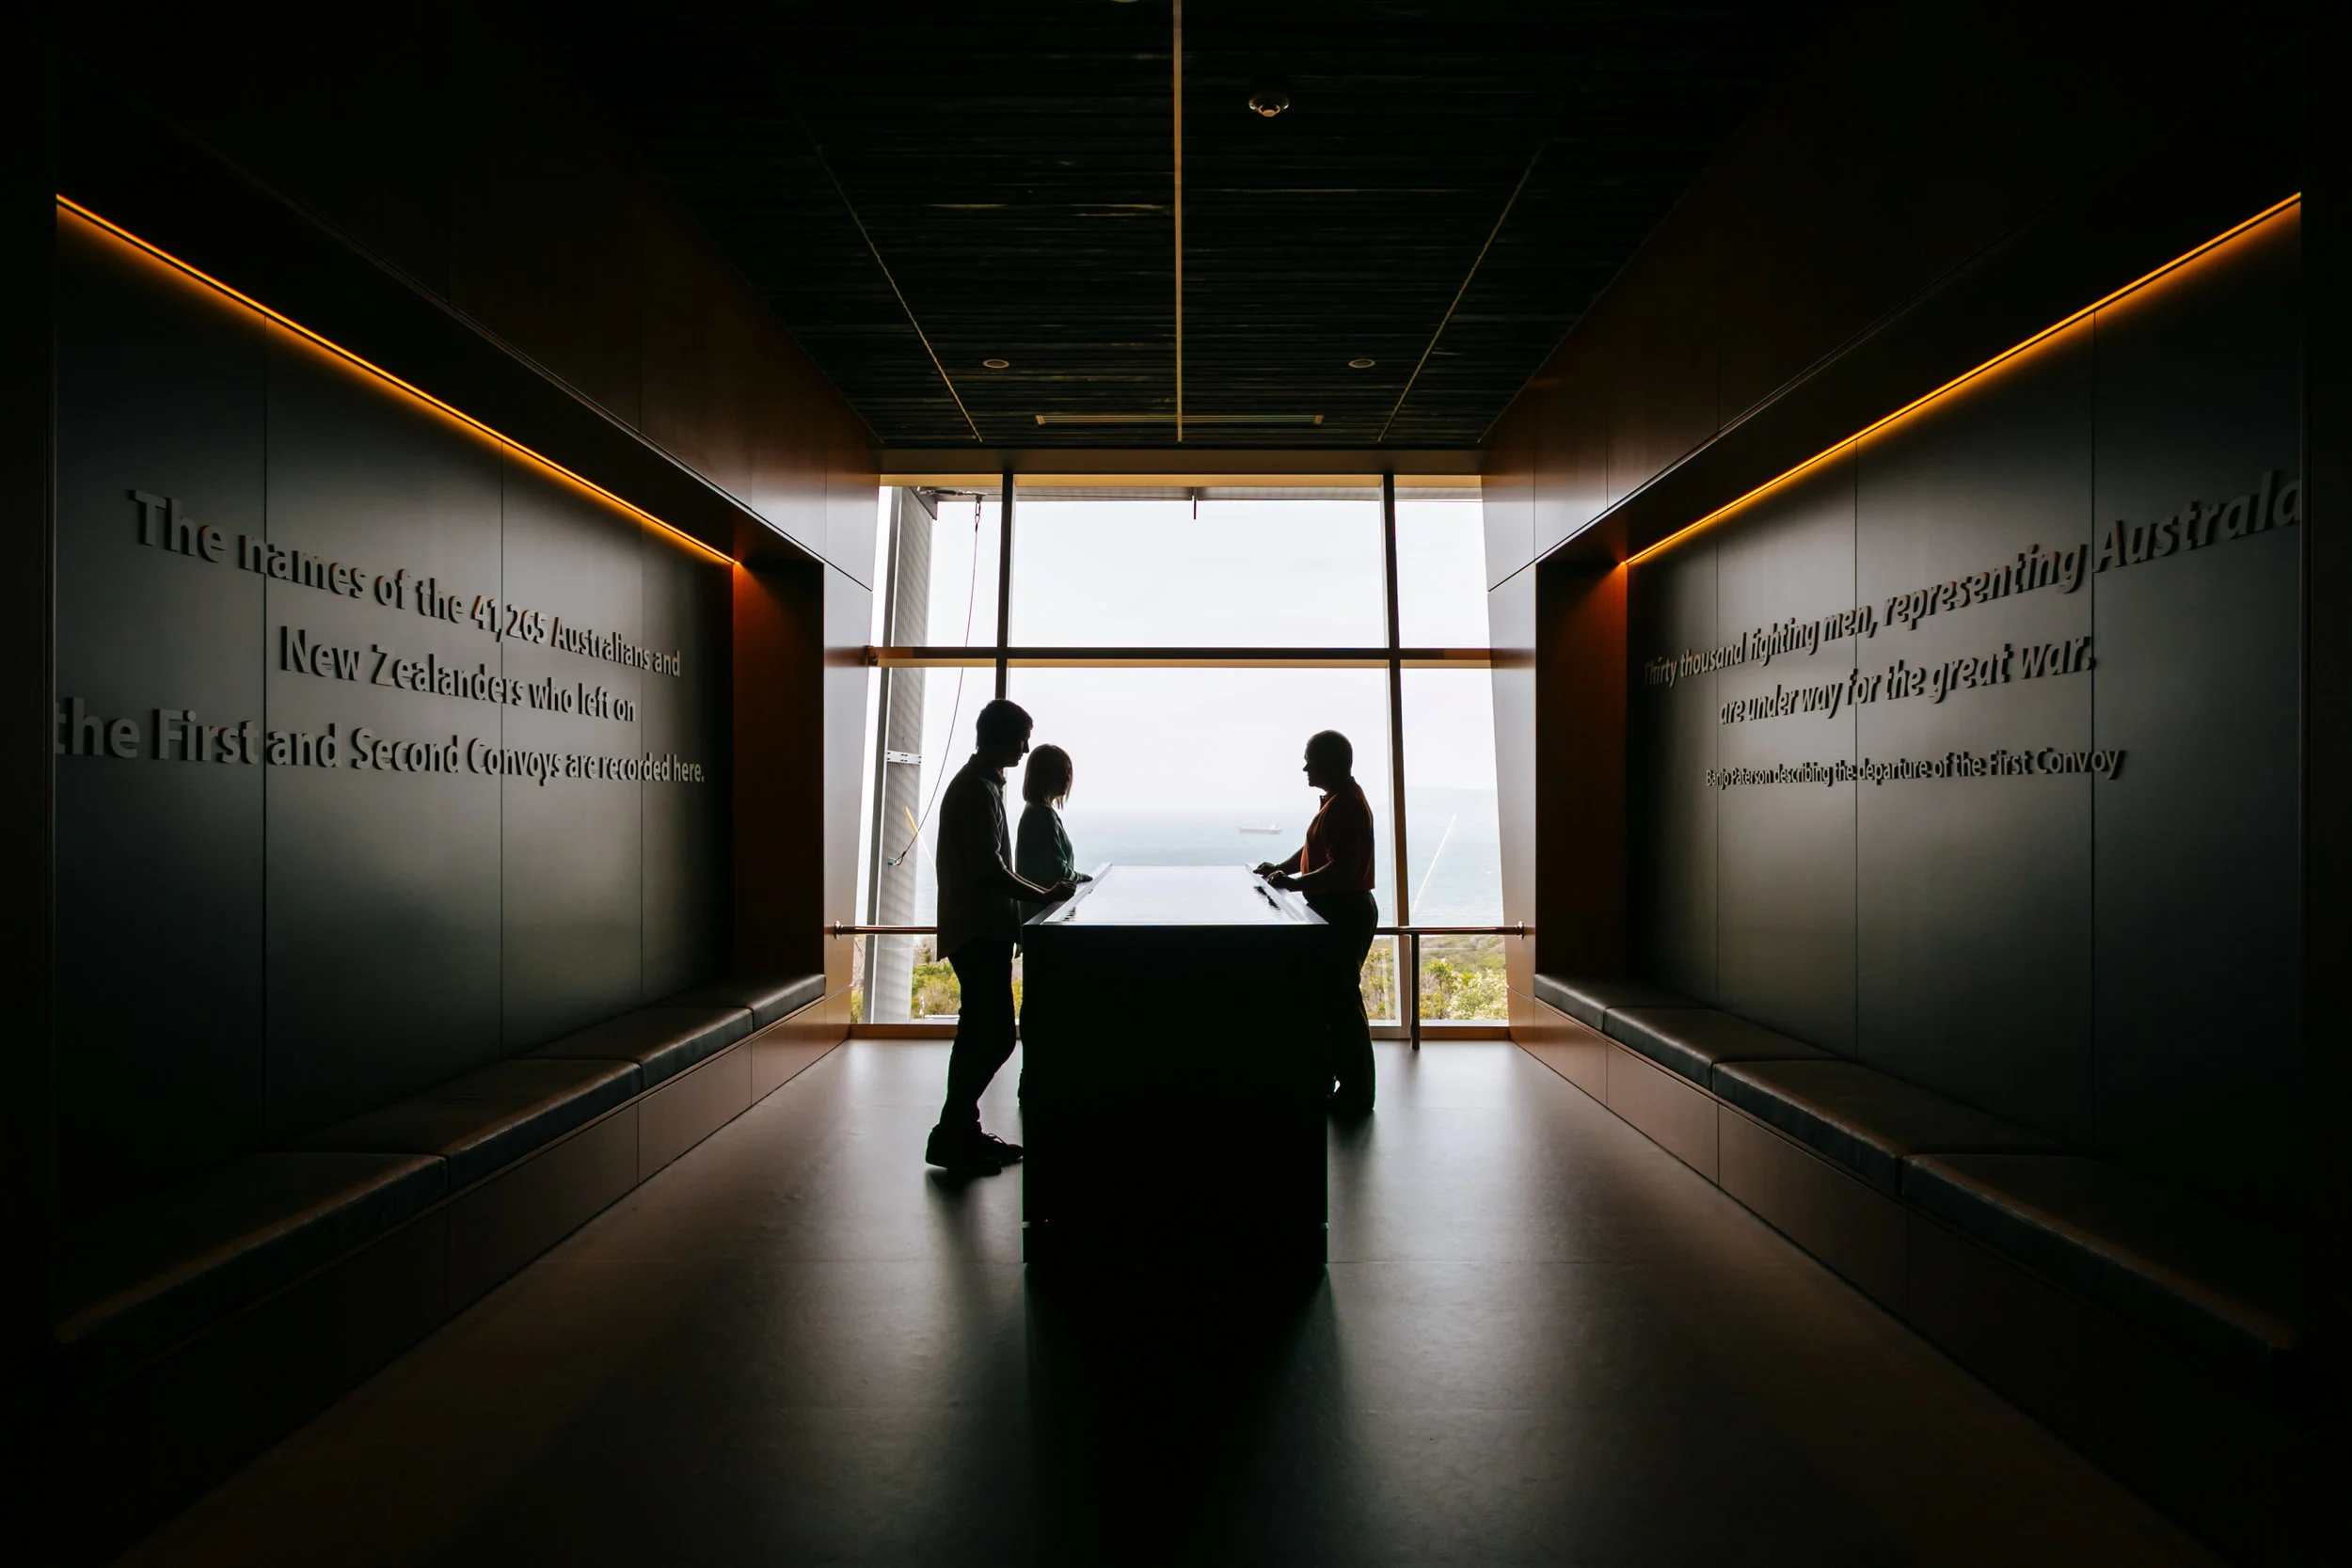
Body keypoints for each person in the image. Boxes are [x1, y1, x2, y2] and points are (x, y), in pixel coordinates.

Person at [927, 699, 1077, 1172]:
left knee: (983, 1033)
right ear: (998, 736)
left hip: (981, 929)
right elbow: (991, 871)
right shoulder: (976, 790)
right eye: (1021, 737)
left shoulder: (984, 786)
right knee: (991, 1036)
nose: (1025, 748)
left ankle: (960, 1129)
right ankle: (952, 1133)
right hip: (977, 930)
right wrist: (1046, 892)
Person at [1255, 729, 1379, 1115]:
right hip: (1340, 908)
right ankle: (1340, 1082)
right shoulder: (1336, 802)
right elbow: (1314, 851)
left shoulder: (1346, 806)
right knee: (1336, 1000)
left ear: (1330, 761)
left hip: (1344, 910)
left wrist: (1294, 883)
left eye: (1310, 758)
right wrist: (1283, 869)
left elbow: (1341, 869)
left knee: (1343, 1002)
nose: (1305, 766)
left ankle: (1358, 1092)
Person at [1015, 744, 1091, 921]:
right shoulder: (1042, 816)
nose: (1067, 777)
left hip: (1037, 914)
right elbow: (1058, 871)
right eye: (1060, 771)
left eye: (1068, 771)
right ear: (1044, 774)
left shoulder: (1036, 811)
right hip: (1043, 915)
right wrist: (1081, 877)